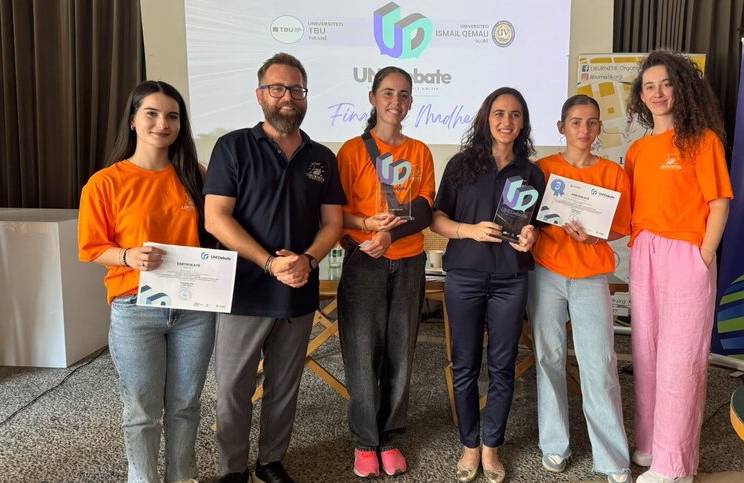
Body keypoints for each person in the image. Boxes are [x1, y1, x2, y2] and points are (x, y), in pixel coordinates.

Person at [204, 52, 346, 483]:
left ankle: (270, 462)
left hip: (298, 289)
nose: (287, 97)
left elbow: (333, 223)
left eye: (296, 90)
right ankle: (232, 469)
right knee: (233, 387)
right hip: (243, 290)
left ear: (305, 96)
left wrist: (307, 260)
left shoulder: (322, 157)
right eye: (277, 88)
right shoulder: (233, 147)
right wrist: (268, 262)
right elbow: (216, 218)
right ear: (260, 94)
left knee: (284, 385)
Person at [78, 80, 215, 483]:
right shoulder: (105, 182)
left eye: (172, 116)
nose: (162, 124)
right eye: (151, 114)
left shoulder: (197, 176)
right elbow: (91, 248)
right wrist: (127, 256)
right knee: (142, 409)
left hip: (193, 309)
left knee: (186, 404)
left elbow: (217, 232)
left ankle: (181, 476)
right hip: (136, 309)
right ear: (133, 121)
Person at [625, 49, 733, 483]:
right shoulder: (637, 150)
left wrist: (703, 256)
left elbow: (719, 203)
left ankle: (675, 465)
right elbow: (627, 211)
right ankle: (652, 444)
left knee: (680, 359)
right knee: (647, 352)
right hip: (644, 254)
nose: (657, 93)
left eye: (666, 84)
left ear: (681, 89)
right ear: (641, 95)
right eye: (649, 86)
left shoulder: (703, 141)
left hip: (686, 255)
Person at [431, 87, 544, 483]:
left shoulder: (531, 173)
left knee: (502, 366)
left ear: (523, 123)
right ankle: (470, 445)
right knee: (464, 365)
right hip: (464, 276)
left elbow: (536, 226)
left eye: (515, 114)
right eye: (499, 113)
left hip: (511, 279)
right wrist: (469, 230)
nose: (506, 121)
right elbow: (437, 219)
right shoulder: (461, 165)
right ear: (486, 118)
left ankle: (492, 446)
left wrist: (531, 237)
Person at [335, 66, 435, 478]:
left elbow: (424, 210)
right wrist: (365, 227)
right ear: (373, 98)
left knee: (401, 353)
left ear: (411, 102)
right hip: (364, 262)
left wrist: (391, 236)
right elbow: (334, 213)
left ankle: (390, 437)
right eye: (389, 93)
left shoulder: (420, 151)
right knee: (361, 354)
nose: (396, 101)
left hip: (409, 261)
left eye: (404, 94)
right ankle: (365, 441)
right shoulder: (351, 151)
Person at [527, 94, 632, 483]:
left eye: (591, 122)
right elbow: (528, 218)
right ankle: (555, 444)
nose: (584, 130)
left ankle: (612, 458)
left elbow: (622, 226)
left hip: (591, 277)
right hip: (546, 273)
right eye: (576, 122)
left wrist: (595, 237)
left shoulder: (613, 173)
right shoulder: (542, 170)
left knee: (600, 363)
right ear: (561, 127)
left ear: (599, 127)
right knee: (548, 358)